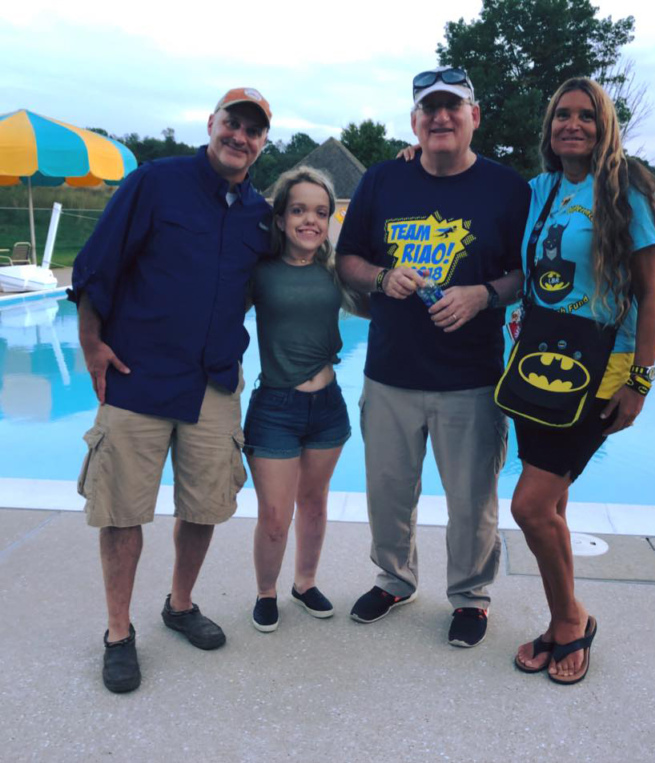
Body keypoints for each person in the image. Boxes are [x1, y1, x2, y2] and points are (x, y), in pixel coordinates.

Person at [69, 87, 273, 693]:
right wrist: (90, 343)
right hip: (138, 376)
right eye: (232, 123)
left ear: (263, 143)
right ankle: (117, 632)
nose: (240, 136)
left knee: (204, 505)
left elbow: (303, 247)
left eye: (253, 130)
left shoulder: (258, 212)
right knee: (122, 509)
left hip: (213, 382)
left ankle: (179, 604)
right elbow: (96, 265)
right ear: (211, 124)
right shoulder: (155, 182)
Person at [336, 66, 530, 648]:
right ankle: (394, 579)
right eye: (429, 109)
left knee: (473, 501)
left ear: (474, 116)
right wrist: (383, 275)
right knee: (388, 493)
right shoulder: (380, 181)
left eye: (453, 107)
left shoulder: (507, 188)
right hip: (391, 374)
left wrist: (483, 294)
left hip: (471, 378)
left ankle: (471, 597)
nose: (440, 117)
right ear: (415, 121)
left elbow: (531, 273)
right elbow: (347, 260)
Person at [511, 77, 655, 685]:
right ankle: (560, 620)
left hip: (601, 371)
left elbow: (652, 294)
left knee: (529, 506)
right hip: (536, 367)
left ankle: (571, 622)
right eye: (561, 116)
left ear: (604, 126)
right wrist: (418, 159)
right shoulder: (540, 189)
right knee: (553, 504)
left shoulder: (626, 190)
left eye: (586, 116)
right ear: (550, 127)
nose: (572, 125)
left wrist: (642, 381)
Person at [244, 167, 361, 633]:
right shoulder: (259, 273)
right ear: (280, 218)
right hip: (275, 409)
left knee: (314, 503)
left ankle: (305, 582)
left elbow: (378, 304)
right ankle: (266, 591)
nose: (310, 220)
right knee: (275, 515)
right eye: (298, 210)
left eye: (320, 211)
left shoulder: (336, 272)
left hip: (328, 406)